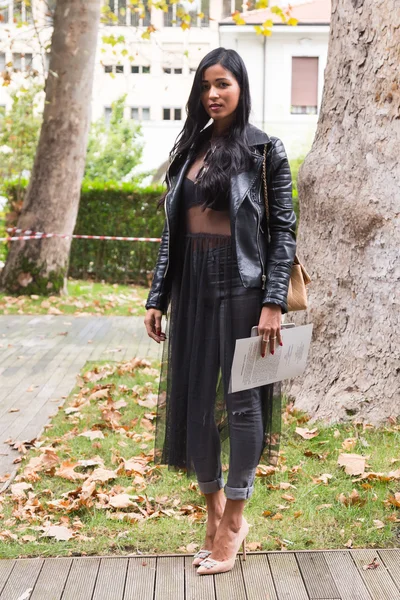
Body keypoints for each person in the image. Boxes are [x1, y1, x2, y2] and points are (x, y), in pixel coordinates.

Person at [144, 47, 297, 575]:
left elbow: (283, 233)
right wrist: (157, 295)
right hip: (192, 289)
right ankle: (210, 510)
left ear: (241, 88)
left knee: (243, 404)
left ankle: (235, 516)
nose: (213, 93)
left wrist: (274, 302)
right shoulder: (190, 148)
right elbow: (173, 233)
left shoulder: (264, 150)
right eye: (206, 84)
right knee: (192, 404)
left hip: (244, 289)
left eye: (223, 84)